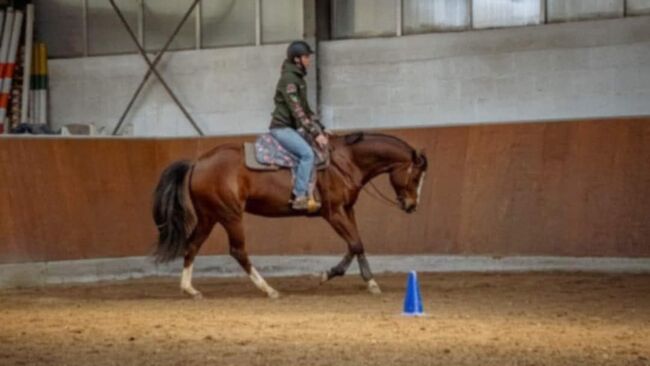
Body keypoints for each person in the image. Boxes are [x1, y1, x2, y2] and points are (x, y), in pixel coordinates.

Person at [269, 40, 328, 211]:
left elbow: (306, 110)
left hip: (291, 128)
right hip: (281, 128)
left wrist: (321, 128)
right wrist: (315, 134)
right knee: (307, 154)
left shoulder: (298, 78)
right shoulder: (289, 80)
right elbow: (297, 111)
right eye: (306, 57)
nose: (309, 60)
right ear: (297, 60)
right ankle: (299, 196)